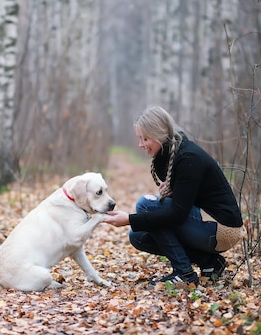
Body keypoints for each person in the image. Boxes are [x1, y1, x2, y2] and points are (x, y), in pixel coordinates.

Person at [104, 106, 245, 286]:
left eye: (145, 138)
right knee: (137, 236)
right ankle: (209, 262)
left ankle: (184, 273)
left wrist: (130, 219)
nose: (141, 144)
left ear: (159, 135)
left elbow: (176, 214)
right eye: (139, 138)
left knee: (145, 205)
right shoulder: (173, 153)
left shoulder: (188, 157)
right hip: (208, 225)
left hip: (223, 230)